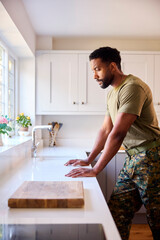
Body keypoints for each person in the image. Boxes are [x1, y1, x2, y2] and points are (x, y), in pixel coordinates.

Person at [64, 46, 160, 240]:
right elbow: (105, 130)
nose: (94, 76)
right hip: (134, 159)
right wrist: (89, 159)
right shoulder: (112, 94)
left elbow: (117, 134)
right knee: (116, 215)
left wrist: (96, 169)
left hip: (152, 158)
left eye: (97, 69)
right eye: (93, 70)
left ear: (113, 66)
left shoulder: (133, 87)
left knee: (157, 219)